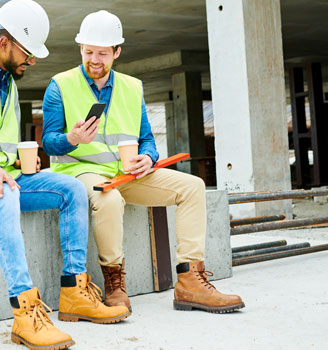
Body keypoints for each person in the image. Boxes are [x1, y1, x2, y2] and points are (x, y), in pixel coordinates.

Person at [0, 1, 130, 349]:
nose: (32, 61)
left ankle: (74, 292)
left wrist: (20, 164)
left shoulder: (10, 86)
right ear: (5, 43)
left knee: (71, 190)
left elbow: (0, 148)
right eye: (28, 53)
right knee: (5, 192)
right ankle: (25, 311)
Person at [42, 10, 244, 314]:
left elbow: (147, 138)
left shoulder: (132, 88)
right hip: (80, 170)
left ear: (117, 52)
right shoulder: (60, 85)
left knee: (193, 187)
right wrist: (72, 139)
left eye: (102, 53)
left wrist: (148, 158)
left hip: (128, 173)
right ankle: (114, 282)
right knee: (107, 199)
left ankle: (190, 283)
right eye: (88, 52)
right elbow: (48, 141)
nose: (94, 59)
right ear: (80, 48)